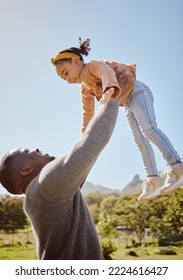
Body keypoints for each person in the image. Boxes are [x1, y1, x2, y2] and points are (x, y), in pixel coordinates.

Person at [50, 38, 183, 202]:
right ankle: (153, 178)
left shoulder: (92, 66)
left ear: (75, 61)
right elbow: (87, 112)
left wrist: (108, 91)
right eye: (64, 79)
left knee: (149, 129)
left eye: (66, 73)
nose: (68, 80)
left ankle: (177, 166)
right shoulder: (84, 88)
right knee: (140, 140)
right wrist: (84, 136)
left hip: (138, 91)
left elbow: (107, 73)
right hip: (127, 102)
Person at [0, 99, 119, 260]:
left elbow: (86, 157)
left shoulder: (39, 195)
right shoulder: (45, 185)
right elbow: (93, 141)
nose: (35, 148)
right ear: (26, 170)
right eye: (28, 151)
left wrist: (90, 107)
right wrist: (113, 92)